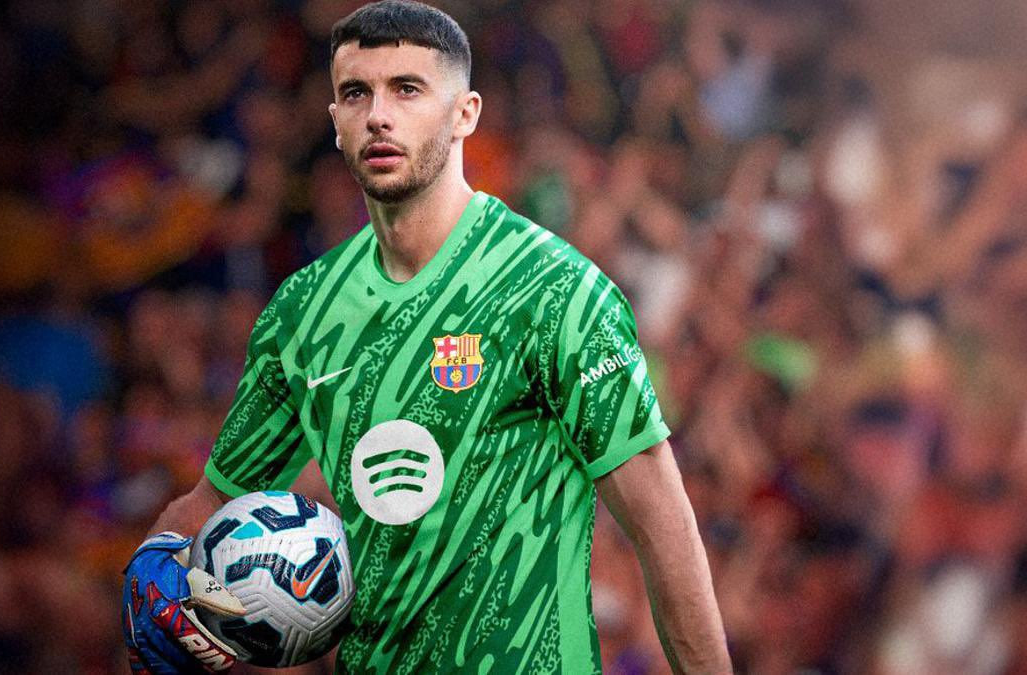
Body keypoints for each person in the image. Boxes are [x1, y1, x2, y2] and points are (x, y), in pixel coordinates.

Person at [122, 1, 731, 672]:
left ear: (465, 114)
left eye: (407, 89)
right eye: (357, 93)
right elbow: (214, 500)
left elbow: (664, 529)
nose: (378, 115)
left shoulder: (555, 291)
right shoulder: (302, 312)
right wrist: (155, 563)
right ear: (336, 121)